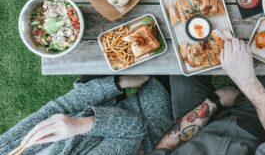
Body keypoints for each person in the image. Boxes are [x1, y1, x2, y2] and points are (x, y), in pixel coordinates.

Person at [152, 36, 265, 154]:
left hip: (194, 129)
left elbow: (167, 145)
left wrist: (214, 102)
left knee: (181, 55)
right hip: (259, 127)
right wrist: (246, 80)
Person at [0, 76, 173, 154]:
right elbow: (133, 129)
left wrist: (116, 84)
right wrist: (76, 125)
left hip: (100, 102)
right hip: (149, 114)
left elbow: (58, 107)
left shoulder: (5, 149)